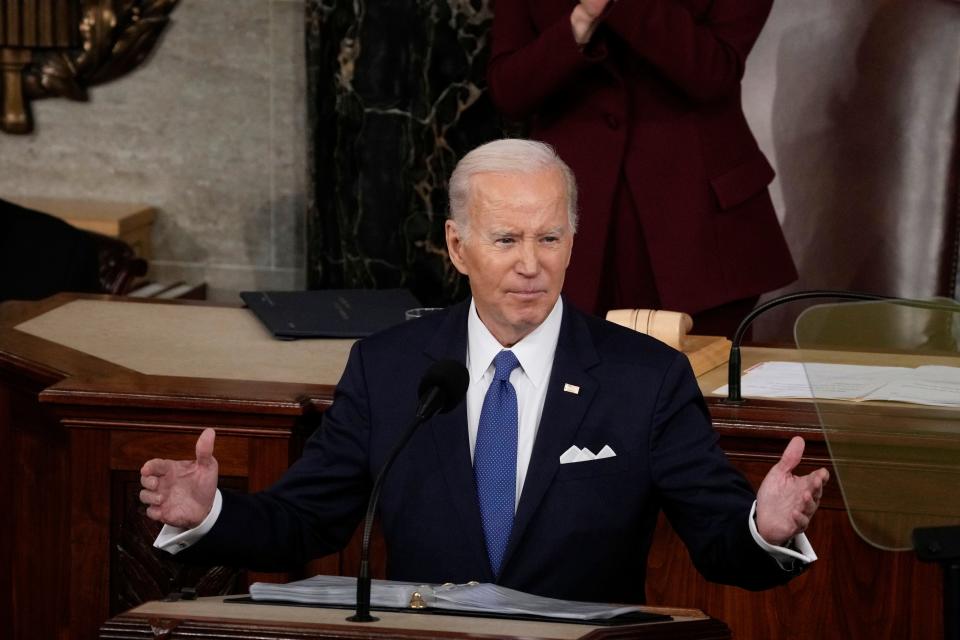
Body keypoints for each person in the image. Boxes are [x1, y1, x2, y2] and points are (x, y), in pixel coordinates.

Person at [140, 139, 827, 604]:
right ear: (457, 245)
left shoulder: (643, 376)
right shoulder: (390, 369)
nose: (531, 264)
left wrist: (762, 527)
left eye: (549, 238)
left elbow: (717, 540)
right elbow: (304, 523)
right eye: (506, 239)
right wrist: (209, 514)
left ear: (572, 242)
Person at [486, 0, 798, 336]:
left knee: (705, 380)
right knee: (578, 378)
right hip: (576, 221)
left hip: (697, 222)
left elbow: (713, 72)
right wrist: (580, 22)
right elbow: (509, 91)